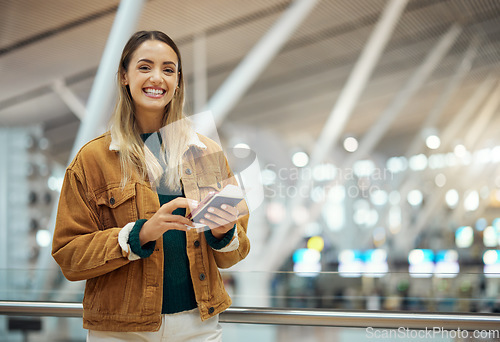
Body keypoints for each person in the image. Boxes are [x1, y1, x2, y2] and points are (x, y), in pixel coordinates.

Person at [52, 30, 250, 341]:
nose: (157, 78)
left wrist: (224, 232)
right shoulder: (92, 159)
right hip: (120, 330)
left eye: (168, 69)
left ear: (178, 81)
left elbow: (234, 254)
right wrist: (140, 234)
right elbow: (69, 256)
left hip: (198, 327)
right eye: (144, 67)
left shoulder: (206, 152)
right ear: (123, 76)